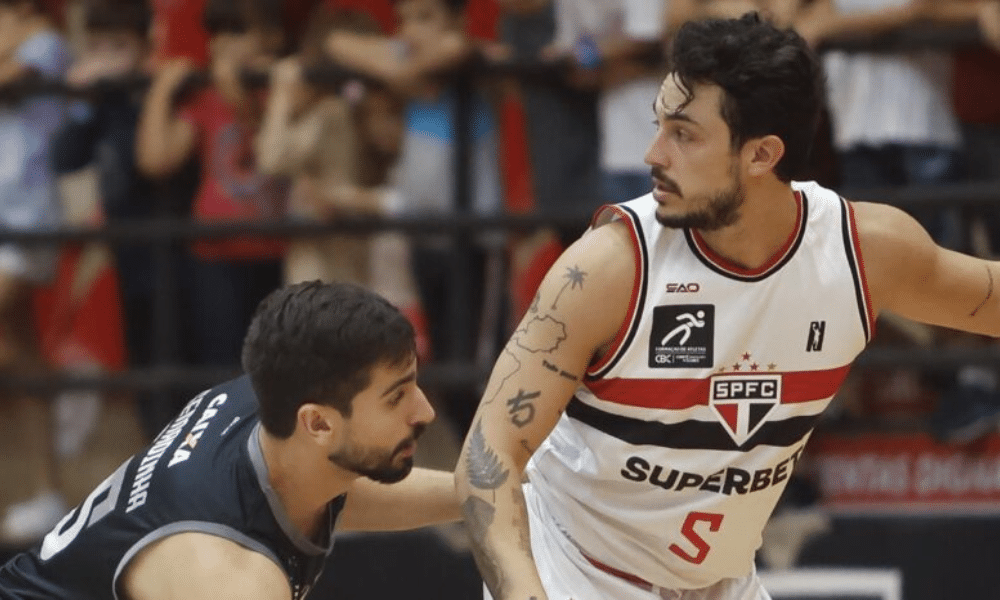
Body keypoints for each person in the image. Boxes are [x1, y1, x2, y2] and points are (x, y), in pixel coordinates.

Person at [455, 12, 1000, 600]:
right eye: (659, 123)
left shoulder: (863, 252)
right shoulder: (607, 268)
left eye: (684, 133)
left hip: (721, 583)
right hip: (573, 571)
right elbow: (489, 458)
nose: (653, 153)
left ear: (762, 154)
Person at [0, 280, 458, 599]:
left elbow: (334, 488)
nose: (425, 412)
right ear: (317, 423)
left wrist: (479, 493)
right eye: (397, 397)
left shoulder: (265, 405)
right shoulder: (233, 579)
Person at [0, 0, 72, 543]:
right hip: (5, 215)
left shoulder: (45, 40)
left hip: (29, 215)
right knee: (23, 354)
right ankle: (47, 491)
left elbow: (12, 77)